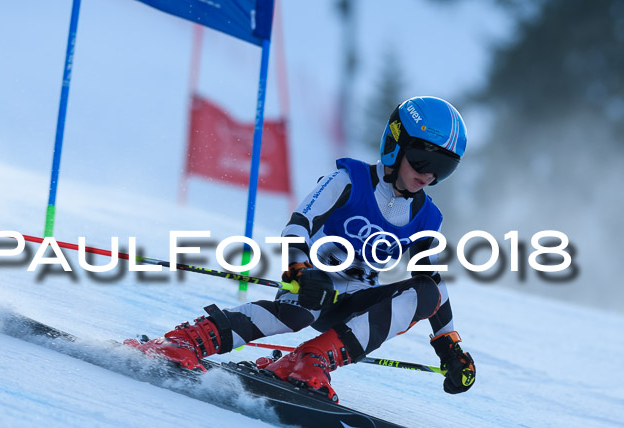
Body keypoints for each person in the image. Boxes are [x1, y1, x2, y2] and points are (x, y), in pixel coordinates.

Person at [125, 96, 476, 402]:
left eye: (442, 169)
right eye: (422, 161)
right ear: (395, 145)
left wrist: (449, 345)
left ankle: (309, 361)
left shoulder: (426, 216)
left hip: (353, 302)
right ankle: (189, 339)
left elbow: (431, 279)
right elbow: (298, 226)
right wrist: (299, 270)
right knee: (300, 313)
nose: (428, 176)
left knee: (426, 292)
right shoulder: (349, 180)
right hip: (313, 282)